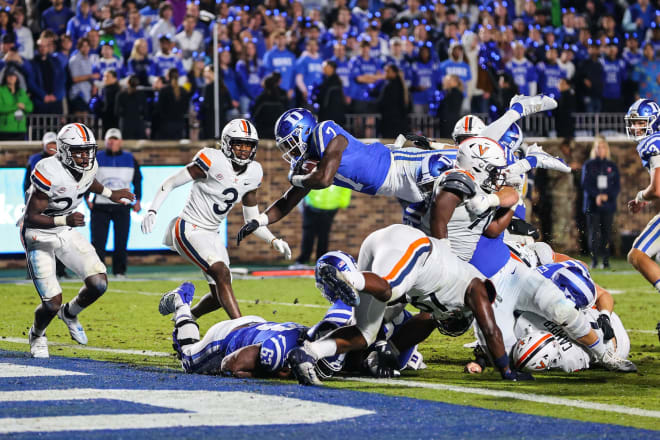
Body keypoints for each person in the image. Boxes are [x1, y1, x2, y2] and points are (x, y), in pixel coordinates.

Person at [286, 223, 532, 385]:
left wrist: (389, 351)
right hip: (414, 246)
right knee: (390, 290)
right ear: (463, 314)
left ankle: (308, 353)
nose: (446, 320)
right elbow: (490, 330)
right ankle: (347, 276)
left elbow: (422, 323)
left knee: (365, 332)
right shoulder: (478, 288)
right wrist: (507, 371)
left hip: (387, 247)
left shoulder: (440, 308)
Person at [141, 119, 291, 321]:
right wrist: (152, 210)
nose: (244, 150)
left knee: (219, 294)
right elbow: (171, 182)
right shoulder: (211, 159)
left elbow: (252, 219)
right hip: (189, 227)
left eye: (249, 145)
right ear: (227, 143)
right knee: (221, 273)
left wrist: (273, 240)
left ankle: (186, 317)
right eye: (239, 144)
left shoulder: (254, 172)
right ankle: (241, 326)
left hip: (212, 234)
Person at [20, 123, 135, 358]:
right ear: (63, 150)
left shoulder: (89, 165)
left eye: (88, 150)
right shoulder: (47, 170)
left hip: (64, 230)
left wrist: (112, 194)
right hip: (38, 235)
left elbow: (87, 181)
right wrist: (65, 220)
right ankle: (37, 334)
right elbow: (30, 218)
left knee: (99, 283)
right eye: (78, 151)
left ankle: (70, 313)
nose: (85, 157)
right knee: (51, 303)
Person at [157, 281, 348, 378]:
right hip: (225, 338)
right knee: (187, 359)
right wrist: (267, 373)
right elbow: (229, 365)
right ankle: (181, 303)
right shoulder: (279, 350)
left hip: (255, 327)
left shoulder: (315, 343)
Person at [89, 128, 142, 278]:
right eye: (110, 139)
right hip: (100, 205)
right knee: (98, 242)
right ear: (105, 141)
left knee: (121, 241)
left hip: (122, 206)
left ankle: (120, 271)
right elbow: (88, 178)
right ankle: (98, 272)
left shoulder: (130, 158)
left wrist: (138, 200)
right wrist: (86, 198)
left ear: (121, 141)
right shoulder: (96, 157)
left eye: (115, 139)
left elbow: (138, 180)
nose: (112, 142)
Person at [626, 99, 660, 298]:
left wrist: (640, 196)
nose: (635, 127)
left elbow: (657, 190)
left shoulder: (653, 143)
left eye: (640, 122)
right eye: (633, 122)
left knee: (637, 255)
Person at [581, 137, 620, 269]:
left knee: (606, 233)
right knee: (593, 233)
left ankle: (606, 260)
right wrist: (596, 195)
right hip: (592, 205)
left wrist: (606, 196)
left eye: (603, 147)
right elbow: (585, 184)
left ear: (606, 149)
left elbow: (616, 186)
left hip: (608, 206)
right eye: (598, 147)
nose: (600, 150)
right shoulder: (588, 165)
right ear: (594, 149)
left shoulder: (612, 166)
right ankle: (594, 260)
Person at [291, 185, 351, 269]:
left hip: (330, 207)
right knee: (309, 234)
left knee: (323, 236)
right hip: (312, 206)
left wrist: (343, 203)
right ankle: (303, 260)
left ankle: (321, 262)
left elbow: (345, 189)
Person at [154, 68, 189, 140]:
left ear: (168, 77)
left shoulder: (164, 91)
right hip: (179, 124)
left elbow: (159, 109)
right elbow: (185, 108)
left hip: (165, 125)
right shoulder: (184, 91)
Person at [250, 71, 288, 140]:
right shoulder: (282, 97)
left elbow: (254, 116)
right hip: (277, 134)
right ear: (279, 81)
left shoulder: (260, 98)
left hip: (261, 133)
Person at [376, 63, 408, 138]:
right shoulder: (399, 86)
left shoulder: (391, 86)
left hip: (391, 122)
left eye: (388, 71)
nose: (385, 73)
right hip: (398, 121)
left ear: (394, 73)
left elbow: (384, 103)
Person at [0, 68, 32, 140]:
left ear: (17, 78)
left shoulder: (21, 92)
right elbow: (1, 107)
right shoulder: (1, 91)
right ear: (5, 77)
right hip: (5, 129)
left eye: (14, 76)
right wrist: (15, 106)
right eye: (9, 76)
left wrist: (24, 107)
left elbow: (30, 107)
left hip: (20, 129)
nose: (11, 78)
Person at [313, 60, 346, 124]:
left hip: (331, 115)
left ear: (331, 68)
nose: (323, 68)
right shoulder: (324, 79)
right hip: (326, 114)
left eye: (325, 67)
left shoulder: (335, 82)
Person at [116, 75, 147, 139]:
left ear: (127, 83)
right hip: (138, 124)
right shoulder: (141, 95)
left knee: (126, 146)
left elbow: (116, 112)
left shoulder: (121, 94)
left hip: (125, 125)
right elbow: (145, 112)